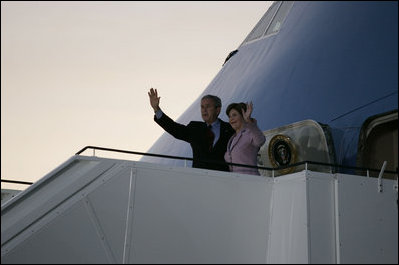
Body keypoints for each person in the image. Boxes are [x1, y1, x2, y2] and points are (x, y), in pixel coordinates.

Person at [148, 88, 234, 171]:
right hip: (198, 180)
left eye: (208, 106)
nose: (204, 110)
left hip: (222, 180)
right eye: (202, 107)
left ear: (218, 110)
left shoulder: (230, 129)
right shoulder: (195, 128)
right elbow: (174, 128)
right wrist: (156, 109)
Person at [224, 102, 266, 175]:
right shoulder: (231, 139)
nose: (231, 119)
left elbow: (260, 141)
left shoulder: (249, 132)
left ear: (243, 116)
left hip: (251, 180)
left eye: (234, 115)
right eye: (229, 116)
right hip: (236, 182)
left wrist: (249, 121)